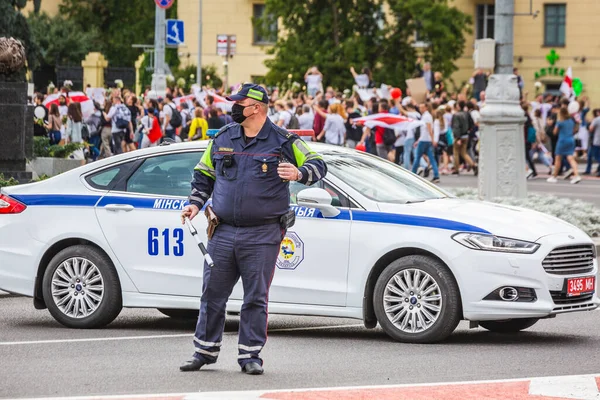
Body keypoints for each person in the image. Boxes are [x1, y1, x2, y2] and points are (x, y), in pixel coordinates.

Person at [179, 83, 327, 375]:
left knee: (255, 297)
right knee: (212, 294)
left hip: (263, 234)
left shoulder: (283, 140)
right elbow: (204, 174)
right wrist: (195, 204)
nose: (233, 107)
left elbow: (318, 164)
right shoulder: (223, 137)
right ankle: (204, 351)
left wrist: (298, 173)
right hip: (221, 231)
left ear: (256, 107)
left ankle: (250, 356)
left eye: (239, 103)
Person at [547, 107, 581, 184]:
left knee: (558, 159)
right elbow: (575, 130)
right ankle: (576, 175)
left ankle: (554, 176)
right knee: (571, 158)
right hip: (571, 140)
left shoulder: (560, 122)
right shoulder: (571, 121)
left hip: (562, 141)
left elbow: (555, 132)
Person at [412, 103, 440, 183]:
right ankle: (436, 175)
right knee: (431, 158)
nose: (421, 109)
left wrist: (432, 139)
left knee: (417, 157)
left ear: (426, 108)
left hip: (424, 140)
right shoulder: (426, 116)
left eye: (422, 107)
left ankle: (413, 173)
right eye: (420, 107)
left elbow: (429, 129)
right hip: (425, 139)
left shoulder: (426, 116)